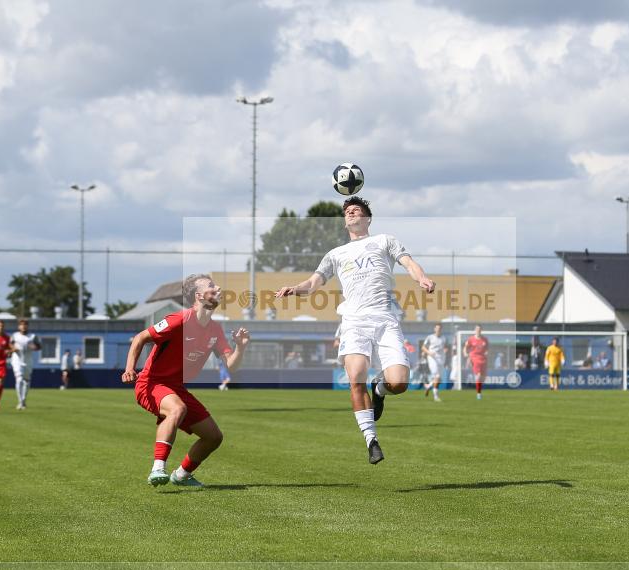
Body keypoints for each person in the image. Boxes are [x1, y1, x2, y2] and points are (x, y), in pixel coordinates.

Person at [275, 196, 435, 465]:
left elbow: (408, 262)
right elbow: (313, 283)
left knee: (399, 383)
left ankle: (379, 390)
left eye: (356, 210)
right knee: (356, 376)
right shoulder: (335, 254)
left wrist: (422, 278)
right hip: (353, 322)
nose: (351, 213)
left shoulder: (384, 240)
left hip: (385, 318)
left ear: (368, 218)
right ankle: (371, 440)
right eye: (347, 211)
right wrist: (295, 288)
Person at [122, 273, 250, 487]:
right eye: (211, 286)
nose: (218, 288)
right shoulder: (179, 320)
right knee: (177, 409)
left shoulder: (215, 329)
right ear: (198, 296)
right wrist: (129, 369)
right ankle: (157, 468)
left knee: (213, 437)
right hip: (151, 383)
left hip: (176, 388)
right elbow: (140, 337)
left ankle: (182, 475)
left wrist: (241, 347)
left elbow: (231, 365)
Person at [10, 318, 41, 410]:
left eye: (25, 324)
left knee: (26, 381)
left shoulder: (32, 336)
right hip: (17, 360)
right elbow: (10, 344)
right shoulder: (15, 335)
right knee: (19, 379)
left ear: (27, 326)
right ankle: (20, 401)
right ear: (18, 326)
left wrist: (34, 347)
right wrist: (13, 348)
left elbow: (39, 346)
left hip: (28, 361)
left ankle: (23, 400)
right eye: (21, 325)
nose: (23, 326)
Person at [422, 324, 447, 402]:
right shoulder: (430, 337)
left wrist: (445, 350)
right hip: (432, 358)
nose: (438, 330)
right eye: (437, 328)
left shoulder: (444, 338)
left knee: (438, 379)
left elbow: (445, 347)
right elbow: (423, 347)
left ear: (441, 329)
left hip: (441, 358)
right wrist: (429, 353)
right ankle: (436, 397)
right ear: (434, 329)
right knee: (437, 376)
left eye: (439, 328)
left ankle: (428, 386)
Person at [464, 325, 489, 400]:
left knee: (483, 378)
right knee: (478, 375)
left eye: (479, 329)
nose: (478, 330)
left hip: (483, 359)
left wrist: (487, 352)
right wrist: (465, 353)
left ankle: (476, 385)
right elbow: (465, 347)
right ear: (475, 330)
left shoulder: (485, 339)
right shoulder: (471, 339)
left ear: (481, 330)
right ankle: (478, 394)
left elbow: (487, 349)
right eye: (477, 329)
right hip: (474, 358)